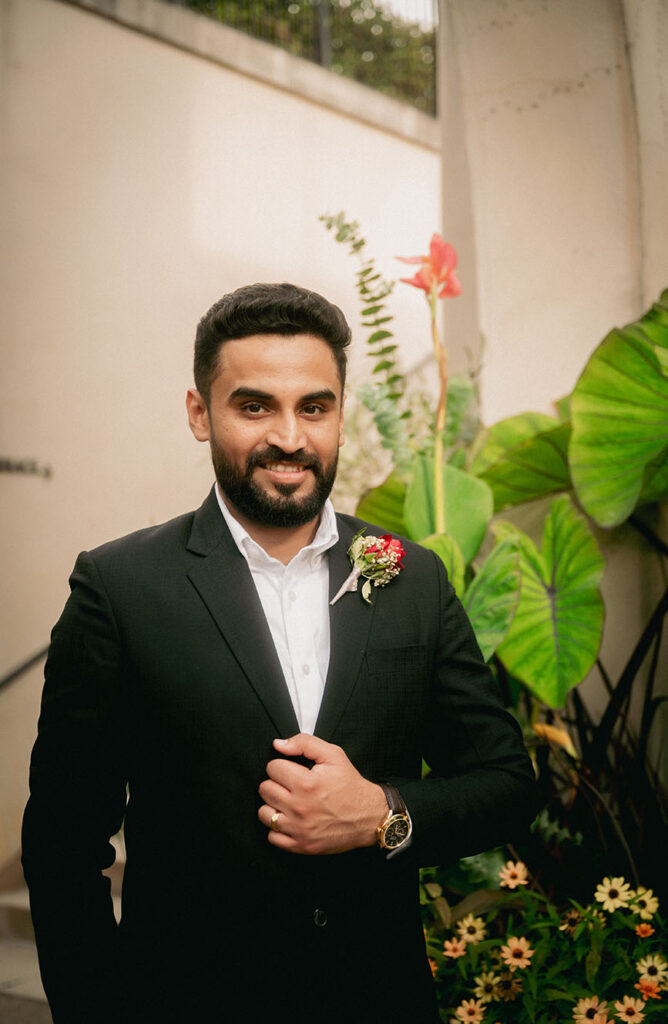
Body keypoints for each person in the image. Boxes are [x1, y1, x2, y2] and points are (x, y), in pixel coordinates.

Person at [22, 282, 537, 1023]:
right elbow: (62, 846)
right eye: (255, 406)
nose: (290, 438)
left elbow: (506, 782)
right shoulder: (120, 587)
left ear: (339, 414)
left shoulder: (411, 575)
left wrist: (382, 815)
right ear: (201, 413)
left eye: (315, 407)